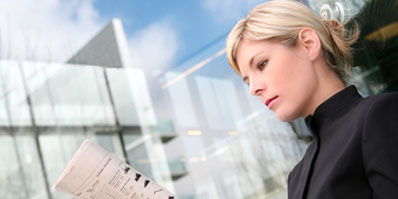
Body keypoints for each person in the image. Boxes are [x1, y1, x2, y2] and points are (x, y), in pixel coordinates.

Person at [225, 0, 398, 198]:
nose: (254, 88)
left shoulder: (379, 117)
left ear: (309, 44)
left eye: (262, 64)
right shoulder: (296, 178)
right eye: (247, 81)